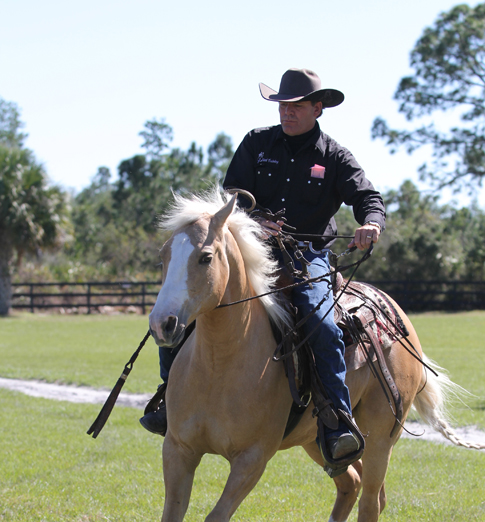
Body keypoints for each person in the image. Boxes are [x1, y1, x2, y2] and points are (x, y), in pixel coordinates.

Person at [141, 68, 385, 470]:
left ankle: (335, 421)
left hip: (308, 256)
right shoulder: (257, 142)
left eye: (297, 107)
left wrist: (371, 223)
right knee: (182, 307)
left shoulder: (335, 156)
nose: (287, 113)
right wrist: (260, 216)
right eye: (283, 106)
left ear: (317, 108)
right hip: (252, 250)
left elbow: (367, 196)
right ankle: (170, 398)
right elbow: (232, 192)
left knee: (321, 324)